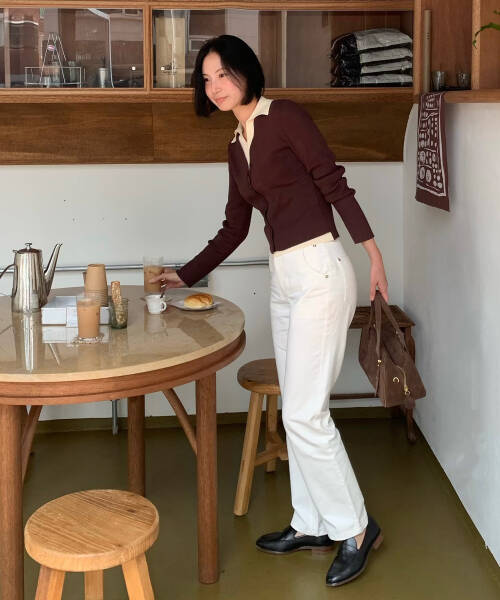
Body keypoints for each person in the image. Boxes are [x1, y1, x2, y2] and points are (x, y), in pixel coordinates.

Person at [151, 34, 389, 587]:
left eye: (223, 74)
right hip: (284, 278)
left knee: (306, 413)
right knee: (295, 408)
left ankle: (356, 528)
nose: (215, 87)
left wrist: (373, 254)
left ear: (246, 72)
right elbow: (235, 227)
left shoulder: (285, 118)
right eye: (206, 79)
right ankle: (311, 522)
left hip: (321, 270)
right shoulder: (236, 146)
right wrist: (184, 274)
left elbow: (334, 183)